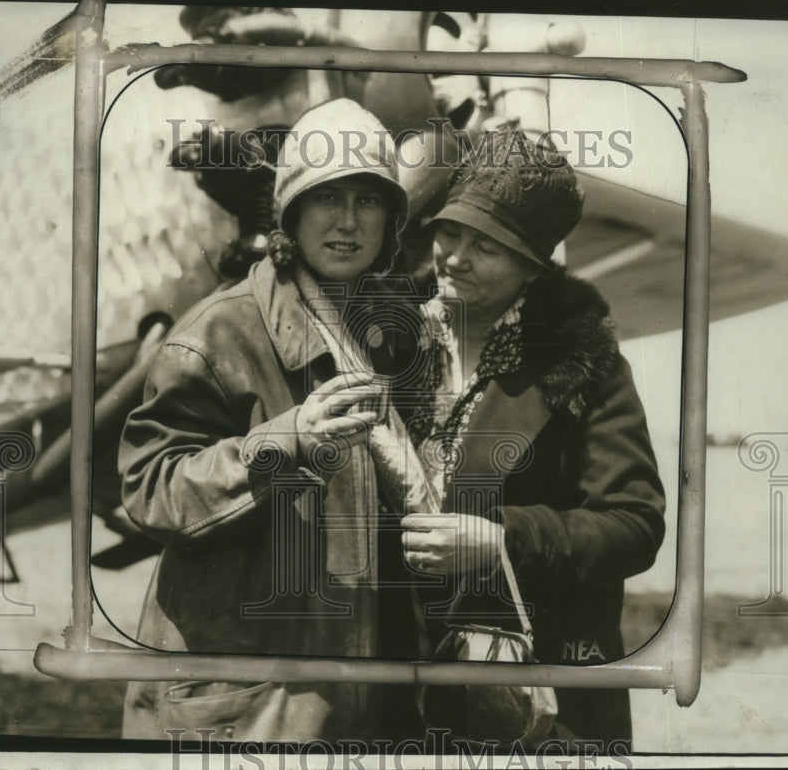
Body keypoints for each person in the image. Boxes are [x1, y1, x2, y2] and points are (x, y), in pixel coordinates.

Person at [117, 98, 421, 743]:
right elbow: (150, 489)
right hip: (248, 703)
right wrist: (287, 441)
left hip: (359, 692)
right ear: (291, 212)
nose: (347, 222)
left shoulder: (392, 334)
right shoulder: (217, 331)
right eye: (326, 197)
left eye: (368, 200)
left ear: (391, 219)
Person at [401, 125, 666, 750]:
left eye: (487, 246)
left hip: (537, 699)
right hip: (402, 694)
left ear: (531, 268)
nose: (456, 258)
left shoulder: (585, 364)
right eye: (450, 231)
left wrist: (504, 540)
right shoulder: (390, 340)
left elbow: (635, 524)